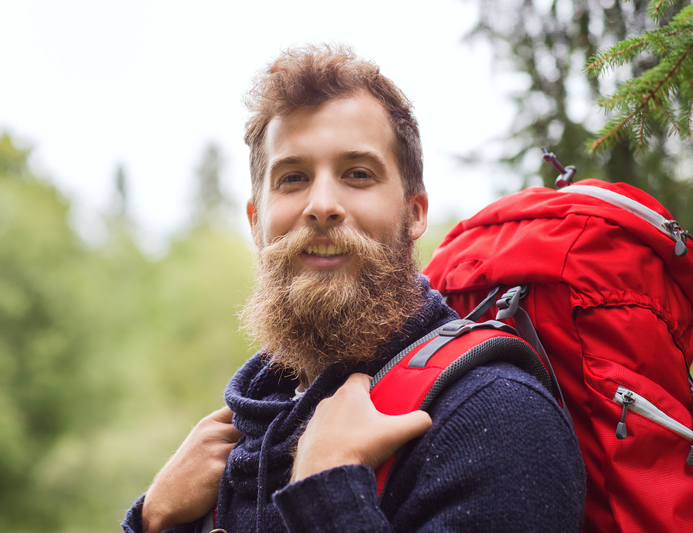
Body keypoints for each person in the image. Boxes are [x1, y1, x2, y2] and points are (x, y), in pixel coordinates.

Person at [122, 44, 586, 533]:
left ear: (414, 214)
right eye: (293, 177)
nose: (321, 205)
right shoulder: (235, 447)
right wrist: (152, 522)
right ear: (257, 223)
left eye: (357, 174)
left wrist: (328, 492)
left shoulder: (496, 416)